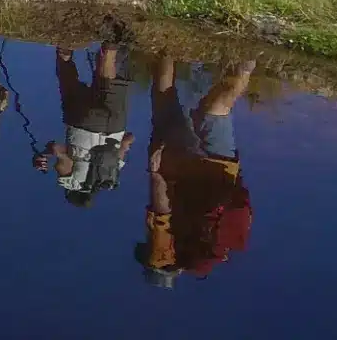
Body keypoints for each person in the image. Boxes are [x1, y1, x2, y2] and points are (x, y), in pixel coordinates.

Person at [135, 56, 255, 286]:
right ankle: (166, 44)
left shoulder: (206, 252)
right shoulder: (161, 255)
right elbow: (162, 211)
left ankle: (246, 64)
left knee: (214, 112)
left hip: (223, 174)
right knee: (165, 104)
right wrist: (155, 173)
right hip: (184, 167)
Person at [35, 43, 134, 207]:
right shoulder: (70, 182)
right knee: (69, 87)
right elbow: (58, 149)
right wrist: (45, 154)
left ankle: (110, 47)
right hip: (82, 122)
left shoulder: (109, 175)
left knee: (108, 84)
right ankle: (65, 54)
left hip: (115, 124)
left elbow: (128, 139)